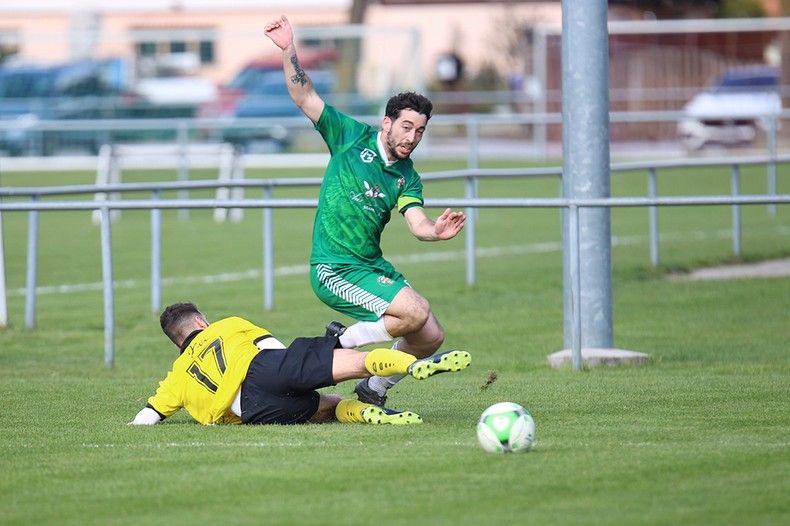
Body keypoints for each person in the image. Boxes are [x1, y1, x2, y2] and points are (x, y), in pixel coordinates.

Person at [264, 15, 467, 407]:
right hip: (334, 267)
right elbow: (304, 96)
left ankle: (374, 388)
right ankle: (337, 344)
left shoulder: (407, 176)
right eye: (406, 127)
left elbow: (417, 221)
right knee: (413, 311)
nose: (412, 137)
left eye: (420, 131)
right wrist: (288, 48)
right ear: (387, 122)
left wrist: (435, 232)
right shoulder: (349, 136)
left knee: (430, 335)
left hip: (370, 267)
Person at [129, 302, 471, 426]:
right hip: (265, 368)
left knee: (325, 409)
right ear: (201, 321)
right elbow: (270, 346)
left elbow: (148, 416)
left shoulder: (176, 377)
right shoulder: (226, 325)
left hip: (251, 411)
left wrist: (134, 426)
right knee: (357, 362)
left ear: (176, 342)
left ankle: (369, 414)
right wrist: (302, 366)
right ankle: (410, 366)